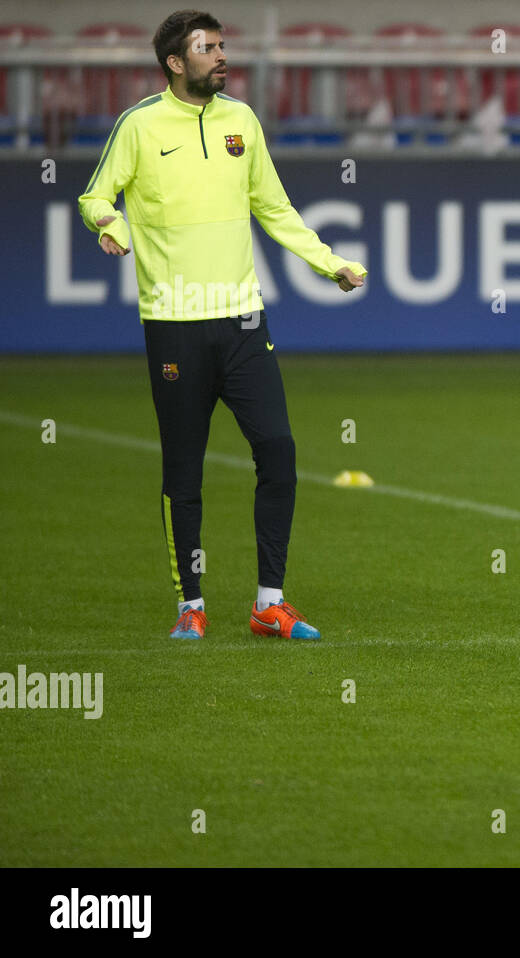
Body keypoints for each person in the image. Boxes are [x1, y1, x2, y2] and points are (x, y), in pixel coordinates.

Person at [78, 10, 367, 641]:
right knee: (184, 470)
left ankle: (270, 602)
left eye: (222, 45)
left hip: (242, 321)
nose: (221, 55)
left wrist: (330, 263)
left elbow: (275, 207)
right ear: (175, 63)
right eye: (207, 48)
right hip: (175, 323)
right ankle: (192, 604)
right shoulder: (139, 125)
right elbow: (95, 195)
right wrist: (110, 224)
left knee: (279, 452)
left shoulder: (242, 121)